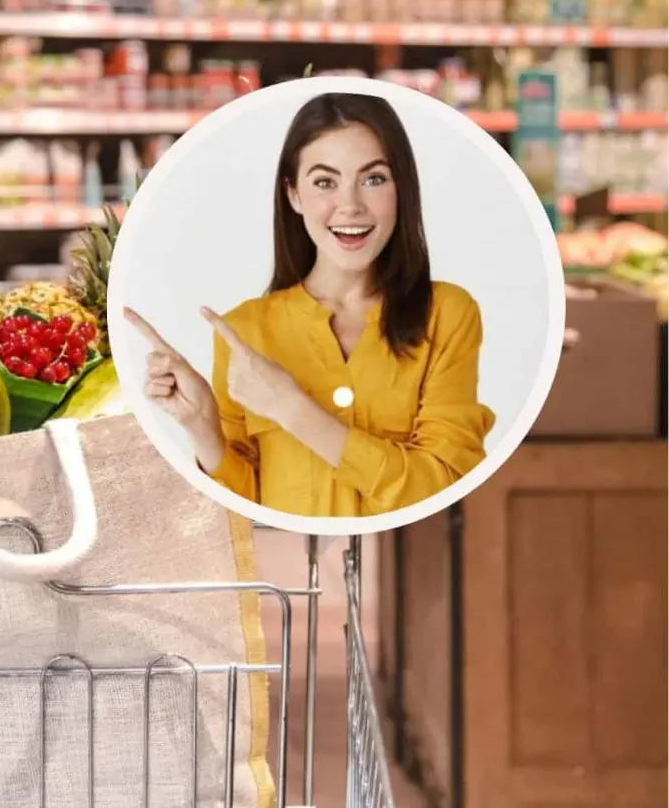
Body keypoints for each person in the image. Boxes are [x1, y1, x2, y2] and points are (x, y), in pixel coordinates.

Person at [125, 92, 495, 518]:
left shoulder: (447, 313)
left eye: (374, 179)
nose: (351, 204)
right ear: (294, 195)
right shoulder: (245, 330)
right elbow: (245, 516)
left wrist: (294, 410)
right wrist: (202, 428)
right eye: (324, 182)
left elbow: (444, 486)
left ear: (402, 189)